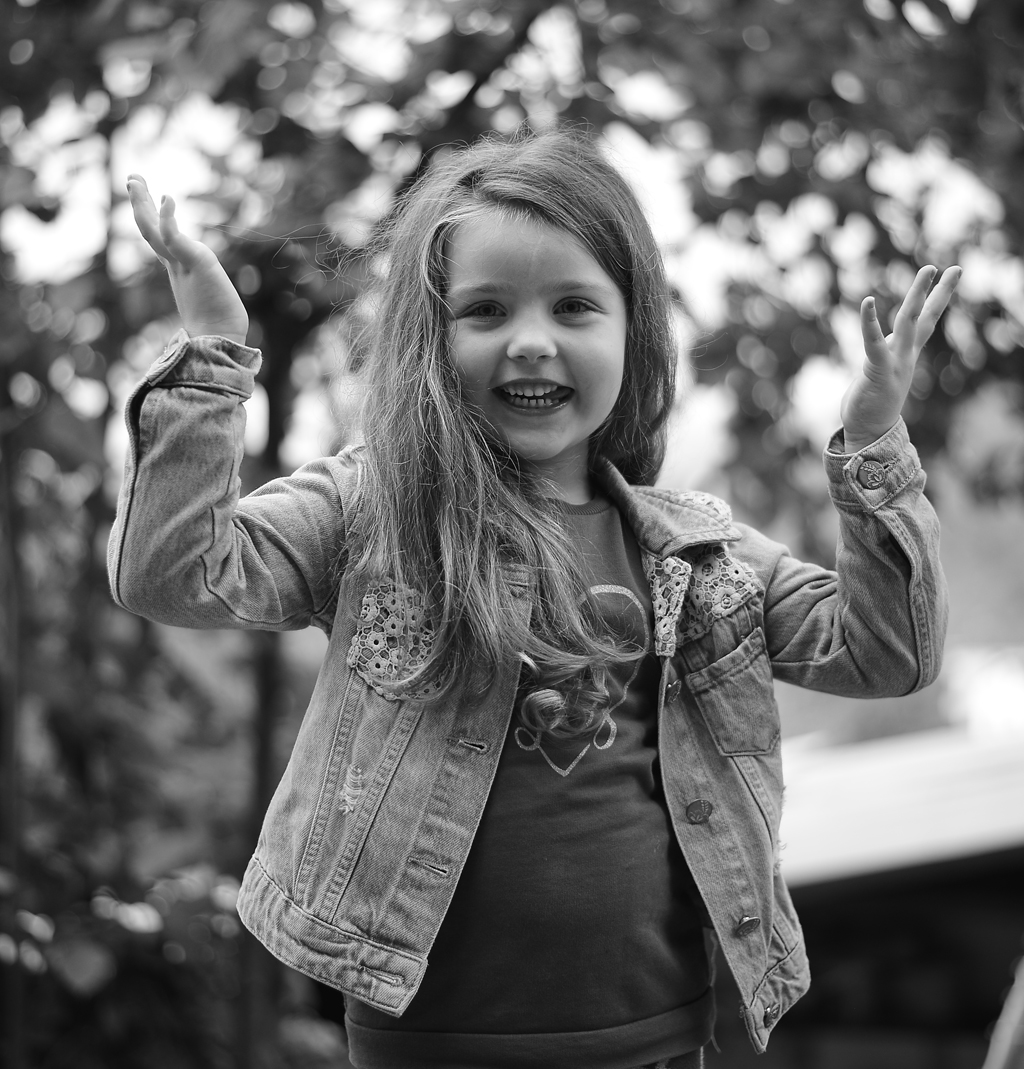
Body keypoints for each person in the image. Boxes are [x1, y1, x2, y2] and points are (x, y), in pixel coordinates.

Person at [112, 131, 958, 1069]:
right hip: (433, 1046)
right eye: (484, 309)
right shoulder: (375, 511)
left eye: (573, 306)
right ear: (429, 340)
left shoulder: (699, 547)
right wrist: (212, 361)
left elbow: (888, 654)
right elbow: (173, 572)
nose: (530, 340)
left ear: (631, 331)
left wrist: (875, 449)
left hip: (660, 1039)